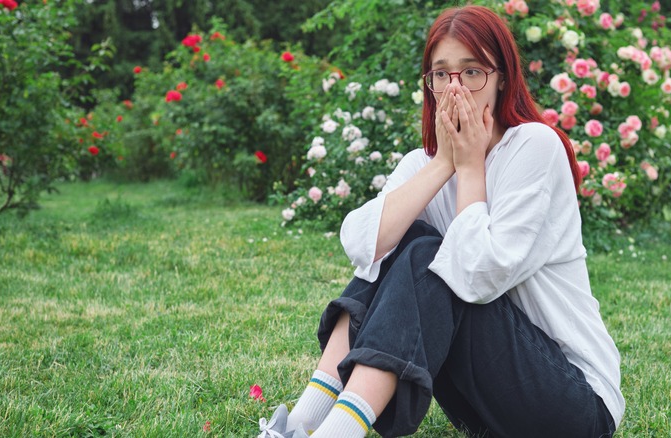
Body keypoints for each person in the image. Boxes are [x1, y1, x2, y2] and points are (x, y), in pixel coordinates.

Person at [258, 5, 624, 438]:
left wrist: (470, 169)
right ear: (429, 84)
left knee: (429, 253)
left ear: (501, 77)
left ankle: (336, 433)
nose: (456, 90)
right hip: (484, 408)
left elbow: (478, 276)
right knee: (405, 236)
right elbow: (363, 247)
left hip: (573, 406)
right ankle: (303, 421)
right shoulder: (425, 164)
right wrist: (444, 165)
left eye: (472, 73)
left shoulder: (533, 147)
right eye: (441, 75)